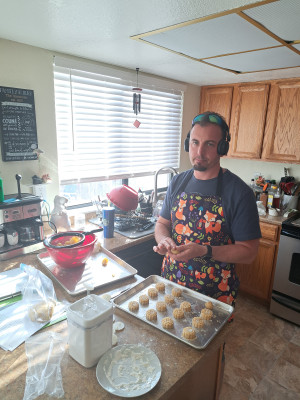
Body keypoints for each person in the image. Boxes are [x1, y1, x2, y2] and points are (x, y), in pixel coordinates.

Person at [153, 111, 261, 306]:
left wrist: (204, 250)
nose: (199, 152)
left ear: (222, 148)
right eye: (195, 142)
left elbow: (249, 252)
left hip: (214, 295)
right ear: (188, 144)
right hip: (171, 283)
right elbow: (162, 223)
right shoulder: (177, 182)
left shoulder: (240, 193)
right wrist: (164, 240)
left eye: (209, 144)